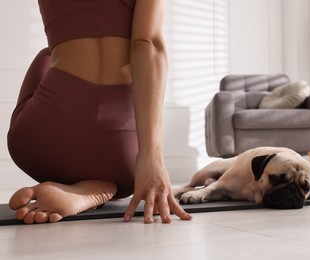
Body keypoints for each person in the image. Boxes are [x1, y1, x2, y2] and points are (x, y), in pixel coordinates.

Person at [7, 0, 192, 224]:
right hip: (122, 158)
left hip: (41, 143)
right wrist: (151, 158)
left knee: (45, 55)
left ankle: (87, 185)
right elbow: (147, 44)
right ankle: (103, 185)